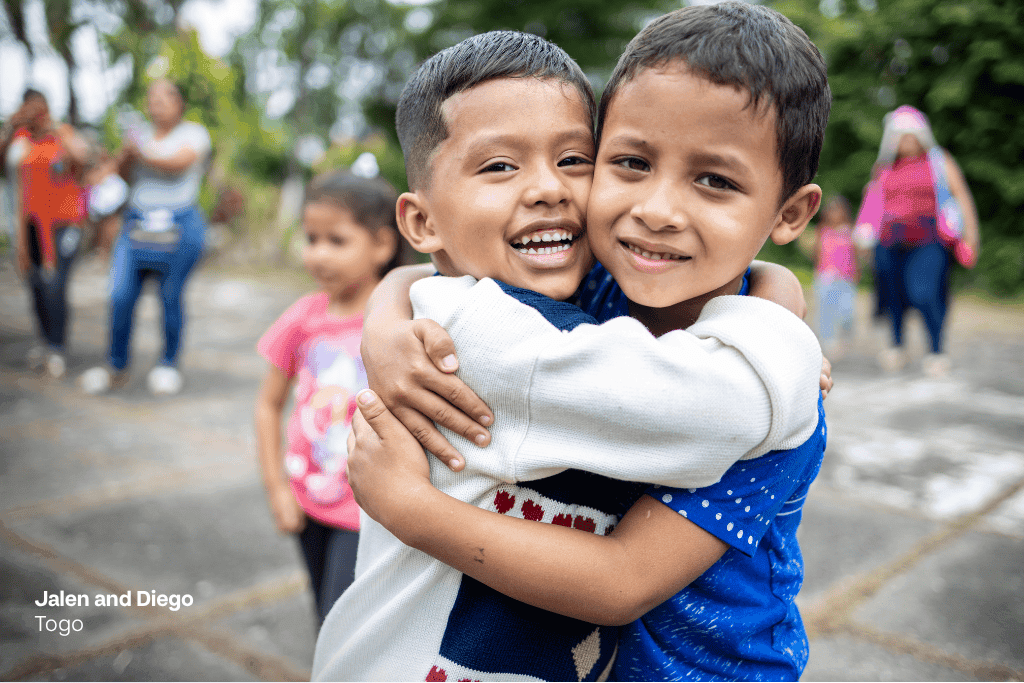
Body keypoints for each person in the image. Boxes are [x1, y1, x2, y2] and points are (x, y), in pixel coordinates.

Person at [313, 11, 827, 680]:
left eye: (573, 160)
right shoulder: (539, 318)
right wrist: (385, 317)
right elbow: (450, 292)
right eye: (632, 163)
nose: (658, 209)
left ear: (789, 212)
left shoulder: (759, 405)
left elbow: (624, 579)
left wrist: (774, 299)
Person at [254, 170, 402, 625]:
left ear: (381, 244)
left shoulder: (402, 315)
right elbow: (267, 404)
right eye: (311, 238)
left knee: (348, 621)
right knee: (325, 613)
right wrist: (278, 488)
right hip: (309, 496)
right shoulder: (304, 317)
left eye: (336, 240)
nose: (317, 254)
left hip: (370, 510)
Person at [80, 79, 212, 396]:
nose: (157, 103)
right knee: (120, 295)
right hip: (136, 224)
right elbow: (115, 175)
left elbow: (179, 163)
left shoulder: (194, 134)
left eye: (164, 97)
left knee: (170, 297)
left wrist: (139, 152)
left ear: (179, 103)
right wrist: (125, 156)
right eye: (151, 98)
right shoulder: (136, 137)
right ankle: (116, 365)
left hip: (179, 225)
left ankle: (168, 364)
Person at [854, 105, 979, 377]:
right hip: (889, 240)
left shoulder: (939, 160)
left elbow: (962, 198)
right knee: (892, 295)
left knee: (924, 292)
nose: (907, 141)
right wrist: (863, 237)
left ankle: (936, 349)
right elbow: (872, 205)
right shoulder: (884, 168)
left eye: (912, 135)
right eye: (901, 136)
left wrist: (971, 237)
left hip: (928, 238)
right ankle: (897, 345)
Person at [0, 88, 94, 378]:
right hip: (30, 224)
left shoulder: (61, 134)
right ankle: (45, 340)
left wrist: (53, 126)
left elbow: (85, 156)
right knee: (36, 285)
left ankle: (57, 347)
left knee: (56, 285)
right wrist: (11, 126)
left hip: (65, 224)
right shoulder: (20, 142)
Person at [814, 195, 858, 358]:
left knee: (847, 311)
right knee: (826, 311)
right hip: (826, 278)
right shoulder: (823, 231)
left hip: (846, 279)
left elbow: (856, 257)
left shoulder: (850, 232)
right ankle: (829, 340)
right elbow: (818, 255)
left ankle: (845, 335)